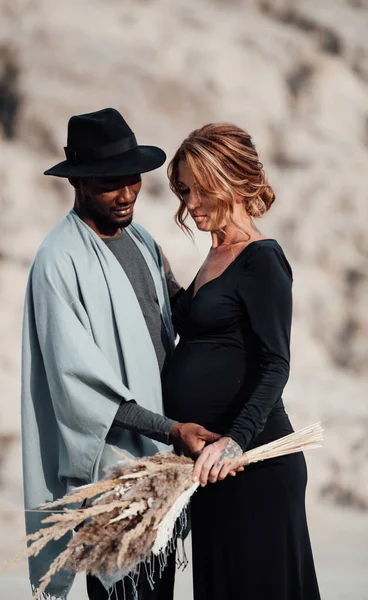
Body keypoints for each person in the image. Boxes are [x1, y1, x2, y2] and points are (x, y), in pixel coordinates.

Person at [21, 108, 219, 600]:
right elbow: (82, 392)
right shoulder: (57, 262)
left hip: (164, 466)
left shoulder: (140, 238)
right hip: (114, 474)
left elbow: (178, 312)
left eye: (132, 180)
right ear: (79, 183)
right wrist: (171, 429)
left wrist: (232, 255)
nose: (127, 194)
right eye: (111, 184)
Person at [162, 123, 321, 600]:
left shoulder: (263, 260)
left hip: (255, 464)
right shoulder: (214, 256)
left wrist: (233, 442)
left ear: (232, 181)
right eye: (185, 191)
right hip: (210, 469)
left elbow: (276, 364)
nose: (190, 204)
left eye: (201, 190)